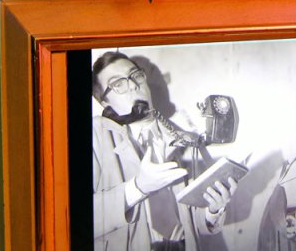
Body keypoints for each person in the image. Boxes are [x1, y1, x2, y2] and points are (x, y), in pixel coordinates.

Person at [92, 51, 238, 251]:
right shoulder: (94, 135)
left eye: (136, 75)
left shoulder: (179, 138)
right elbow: (77, 221)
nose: (133, 85)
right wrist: (138, 188)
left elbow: (192, 220)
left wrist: (213, 210)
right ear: (105, 103)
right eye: (118, 84)